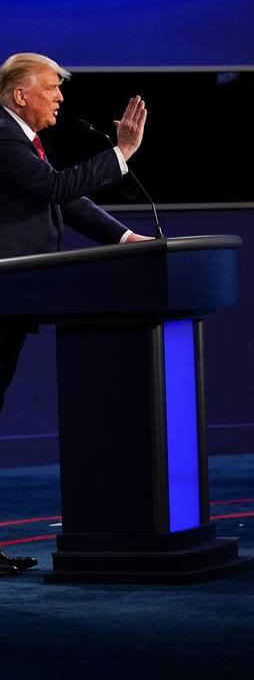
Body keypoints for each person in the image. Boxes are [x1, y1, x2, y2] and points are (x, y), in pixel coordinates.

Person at [0, 52, 151, 576]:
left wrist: (124, 236)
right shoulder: (2, 136)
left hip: (12, 301)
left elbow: (65, 201)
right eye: (51, 88)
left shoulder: (21, 140)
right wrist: (121, 153)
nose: (60, 98)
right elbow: (55, 189)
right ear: (20, 94)